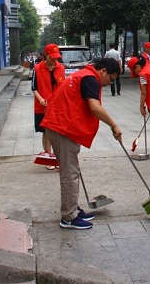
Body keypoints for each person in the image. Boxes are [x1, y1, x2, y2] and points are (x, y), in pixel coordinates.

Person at [40, 58, 122, 230]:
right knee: (70, 173)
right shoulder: (90, 79)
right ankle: (68, 217)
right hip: (62, 127)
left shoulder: (84, 75)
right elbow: (95, 107)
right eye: (111, 78)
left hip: (62, 124)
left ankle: (73, 209)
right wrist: (114, 125)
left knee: (72, 170)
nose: (110, 83)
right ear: (103, 71)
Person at [31, 43, 65, 170]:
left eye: (57, 57)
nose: (55, 59)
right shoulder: (37, 68)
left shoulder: (60, 68)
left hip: (57, 106)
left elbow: (63, 88)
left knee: (58, 131)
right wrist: (40, 99)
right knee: (46, 132)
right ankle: (48, 157)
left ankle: (58, 157)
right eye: (52, 57)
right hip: (42, 106)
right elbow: (34, 88)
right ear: (45, 54)